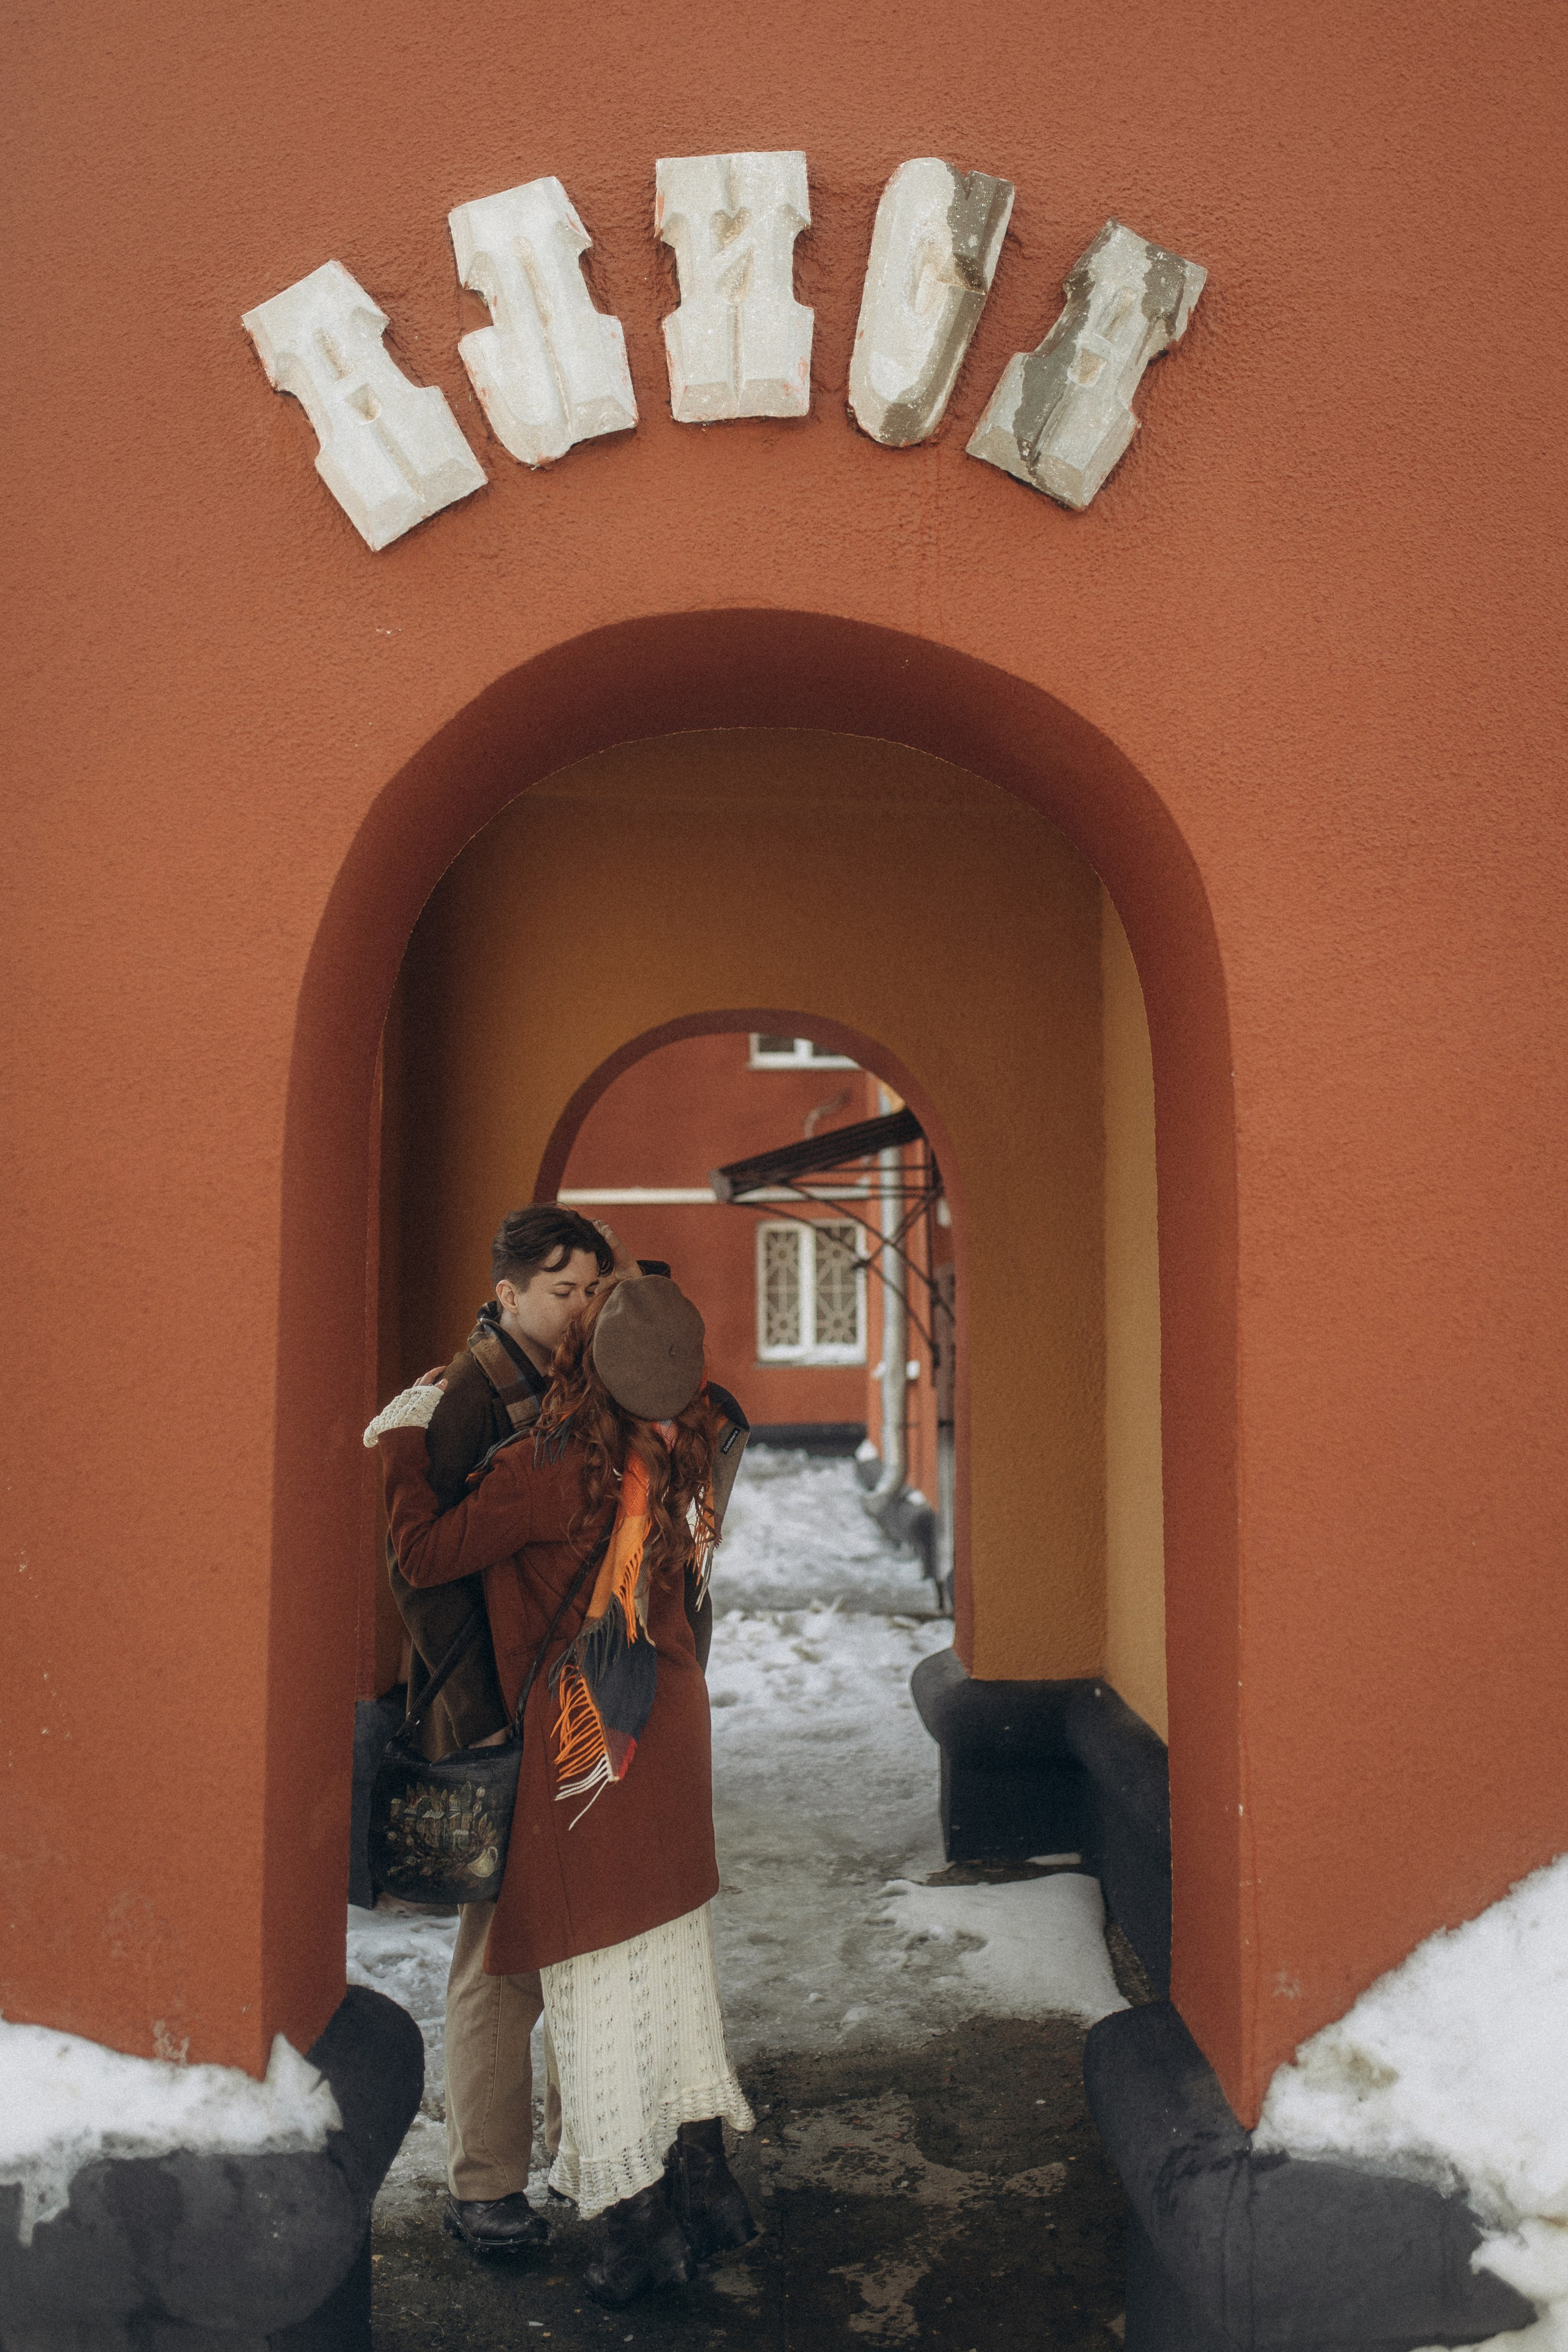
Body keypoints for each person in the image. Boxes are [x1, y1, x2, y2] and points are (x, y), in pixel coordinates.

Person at [367, 1278, 756, 2306]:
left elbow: (425, 1551)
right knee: (668, 1965)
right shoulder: (699, 1442)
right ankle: (704, 2187)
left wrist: (410, 1438)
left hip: (588, 1758)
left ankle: (637, 2234)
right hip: (667, 1734)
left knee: (591, 1983)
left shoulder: (548, 1470)